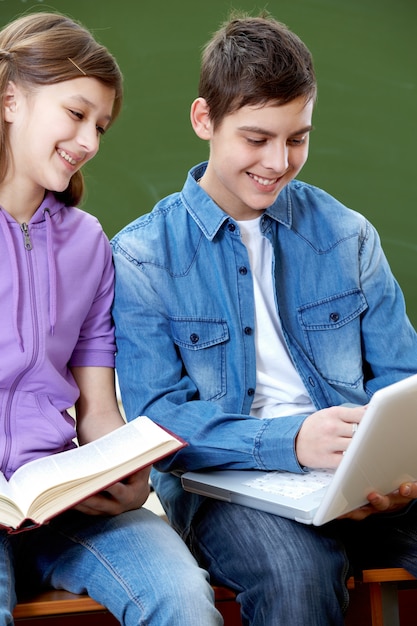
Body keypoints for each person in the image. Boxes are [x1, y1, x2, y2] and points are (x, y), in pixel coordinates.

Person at [111, 12, 417, 626]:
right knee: (294, 577)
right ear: (205, 120)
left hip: (359, 478)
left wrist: (392, 467)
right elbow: (158, 423)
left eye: (297, 137)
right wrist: (292, 443)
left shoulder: (347, 235)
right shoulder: (141, 255)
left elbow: (402, 378)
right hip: (231, 489)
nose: (278, 161)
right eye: (257, 138)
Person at [0, 11, 223, 626]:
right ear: (11, 99)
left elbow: (97, 408)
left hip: (55, 498)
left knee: (181, 597)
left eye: (100, 125)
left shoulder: (87, 242)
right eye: (76, 114)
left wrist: (126, 475)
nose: (90, 142)